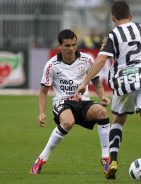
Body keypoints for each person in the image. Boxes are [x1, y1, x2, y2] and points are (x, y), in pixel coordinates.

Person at [75, 1, 141, 183]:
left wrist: (85, 82)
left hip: (123, 81)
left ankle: (113, 162)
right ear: (131, 16)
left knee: (118, 120)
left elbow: (101, 60)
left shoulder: (113, 34)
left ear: (113, 18)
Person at [31, 29, 111, 175]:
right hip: (62, 103)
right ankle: (41, 159)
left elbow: (97, 82)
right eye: (67, 46)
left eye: (74, 45)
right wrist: (41, 113)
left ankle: (106, 157)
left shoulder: (87, 60)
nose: (71, 48)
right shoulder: (51, 65)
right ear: (59, 46)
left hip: (82, 102)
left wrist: (102, 97)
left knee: (102, 112)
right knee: (68, 122)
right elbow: (43, 92)